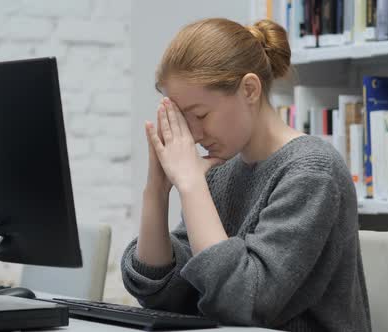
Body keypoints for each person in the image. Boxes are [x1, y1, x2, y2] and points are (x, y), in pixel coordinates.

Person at [120, 18, 371, 332]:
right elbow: (163, 294)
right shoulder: (219, 171)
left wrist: (191, 185)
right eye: (185, 120)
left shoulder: (312, 172)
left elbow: (246, 303)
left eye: (200, 115)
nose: (194, 135)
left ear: (250, 90)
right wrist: (156, 192)